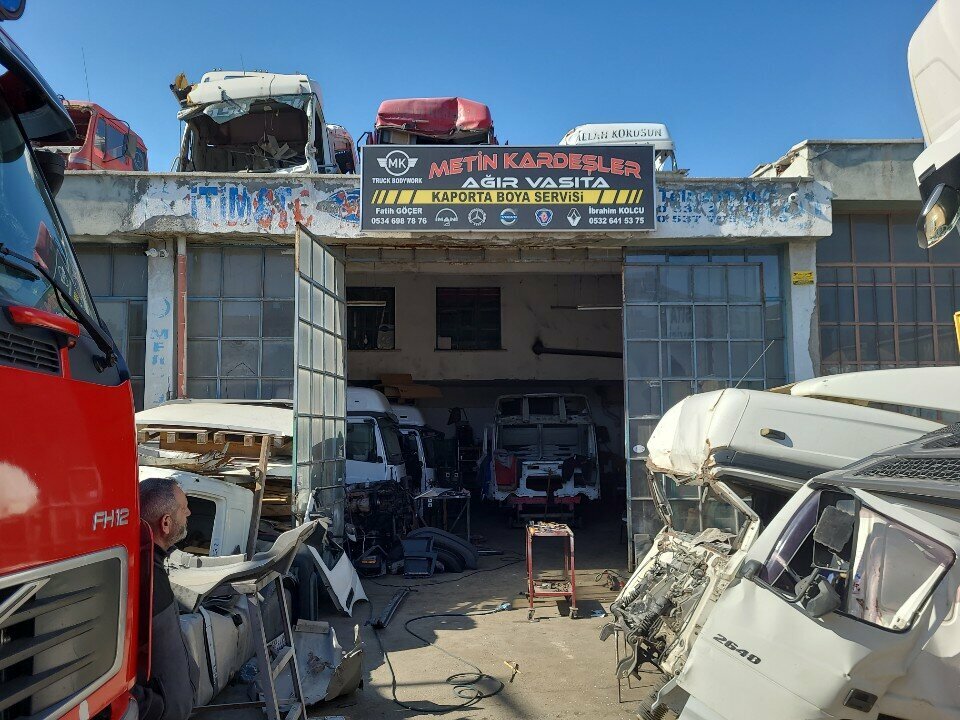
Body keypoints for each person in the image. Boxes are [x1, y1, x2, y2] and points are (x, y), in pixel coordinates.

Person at [133, 477, 199, 720]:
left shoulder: (151, 564)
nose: (189, 513)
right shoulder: (141, 575)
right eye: (184, 508)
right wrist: (156, 708)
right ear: (166, 523)